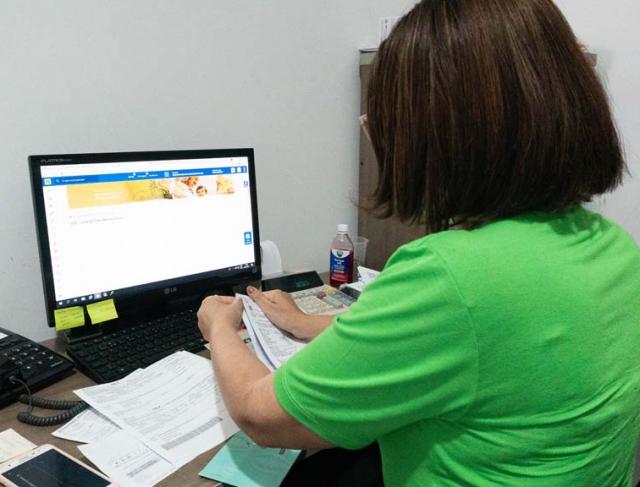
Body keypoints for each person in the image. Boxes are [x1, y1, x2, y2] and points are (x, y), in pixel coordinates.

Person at [197, 0, 640, 484]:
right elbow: (483, 342)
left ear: (435, 133)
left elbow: (262, 416)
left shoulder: (450, 276)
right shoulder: (613, 247)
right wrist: (306, 324)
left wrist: (219, 326)